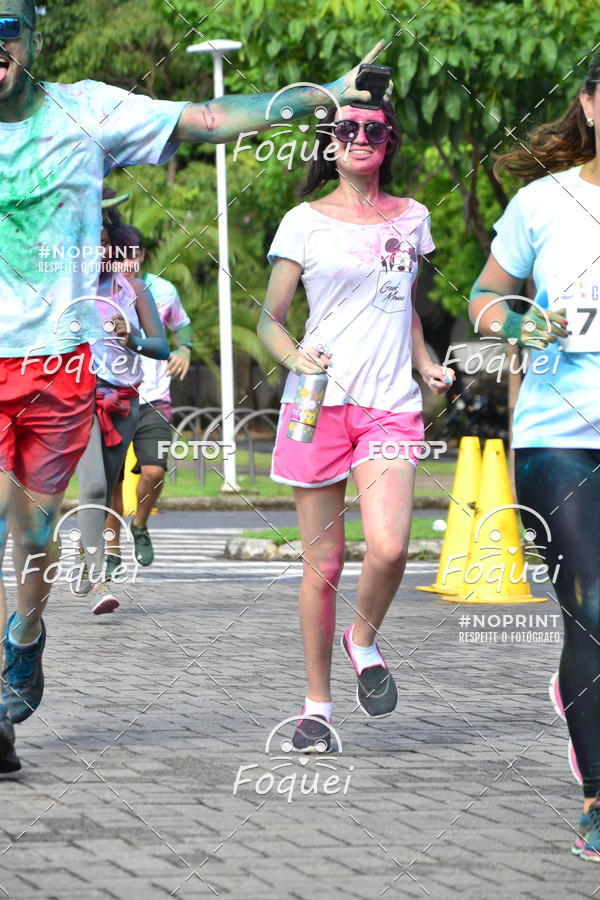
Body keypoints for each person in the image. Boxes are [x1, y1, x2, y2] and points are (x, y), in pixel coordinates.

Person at [0, 0, 387, 771]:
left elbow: (208, 118)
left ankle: (26, 635)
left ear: (32, 38)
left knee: (32, 537)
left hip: (55, 366)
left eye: (6, 28)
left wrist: (325, 93)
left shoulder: (88, 111)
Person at [258, 100, 455, 752]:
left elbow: (404, 312)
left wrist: (425, 364)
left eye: (374, 129)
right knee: (325, 563)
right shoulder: (302, 223)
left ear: (389, 140)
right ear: (332, 143)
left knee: (391, 547)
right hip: (317, 403)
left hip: (388, 404)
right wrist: (295, 355)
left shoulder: (414, 218)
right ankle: (317, 707)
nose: (361, 137)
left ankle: (362, 639)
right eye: (349, 129)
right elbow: (272, 320)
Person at [469, 52, 600, 861]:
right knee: (593, 607)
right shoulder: (540, 203)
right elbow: (485, 297)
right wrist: (517, 325)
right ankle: (597, 794)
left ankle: (574, 689)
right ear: (590, 102)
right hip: (560, 434)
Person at [73, 221, 168, 614]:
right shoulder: (67, 289)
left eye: (105, 243)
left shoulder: (134, 289)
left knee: (106, 489)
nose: (98, 250)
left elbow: (162, 346)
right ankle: (98, 581)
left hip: (125, 401)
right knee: (94, 487)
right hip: (78, 399)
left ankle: (83, 552)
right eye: (90, 244)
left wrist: (133, 339)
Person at [103, 226, 193, 573]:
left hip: (154, 398)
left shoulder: (163, 291)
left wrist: (184, 347)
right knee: (112, 479)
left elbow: (182, 326)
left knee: (154, 471)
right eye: (118, 254)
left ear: (140, 256)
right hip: (112, 396)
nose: (124, 261)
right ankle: (111, 550)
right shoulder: (100, 291)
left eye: (131, 254)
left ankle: (138, 525)